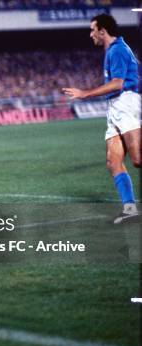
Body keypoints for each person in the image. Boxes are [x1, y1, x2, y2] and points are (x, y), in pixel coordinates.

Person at [62, 13, 140, 224]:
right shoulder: (112, 50)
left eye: (92, 30)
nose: (90, 34)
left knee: (137, 159)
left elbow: (118, 83)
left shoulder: (117, 50)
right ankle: (130, 208)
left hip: (127, 104)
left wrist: (85, 93)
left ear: (102, 31)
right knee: (113, 161)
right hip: (115, 107)